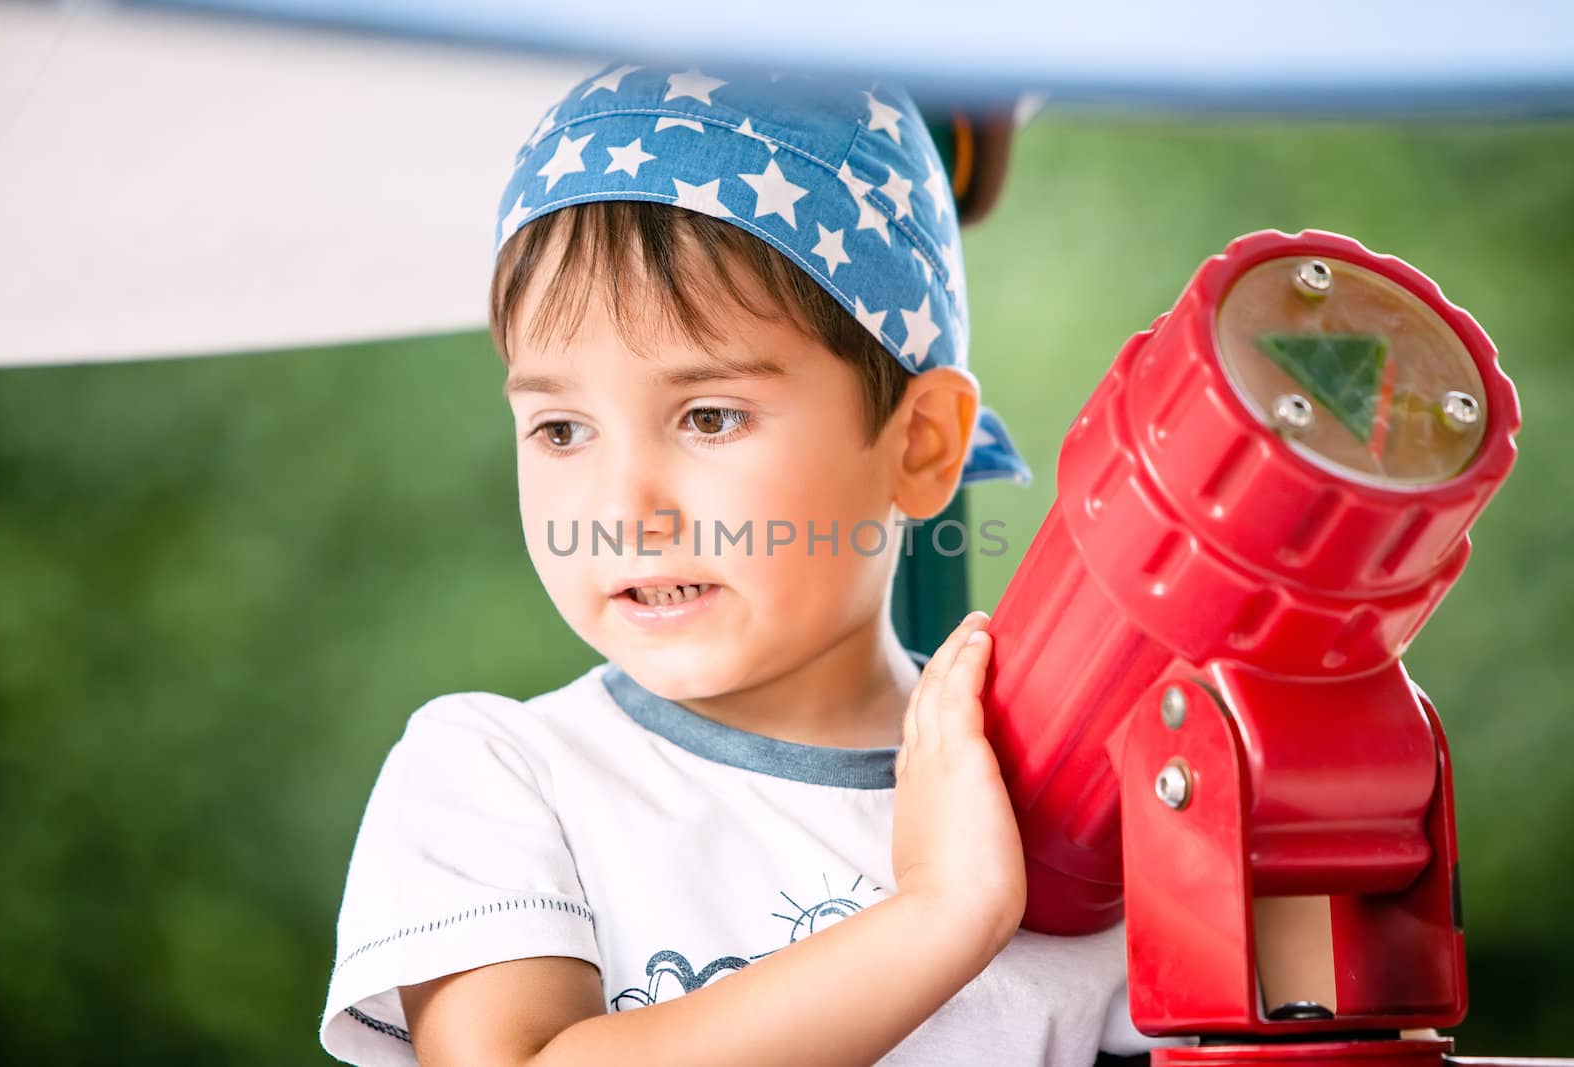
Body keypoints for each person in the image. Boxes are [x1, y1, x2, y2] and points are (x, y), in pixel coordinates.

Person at [320, 62, 1160, 1066]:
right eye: (559, 428)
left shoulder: (1075, 807)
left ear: (922, 443)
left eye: (709, 416)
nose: (624, 508)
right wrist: (941, 913)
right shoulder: (497, 775)